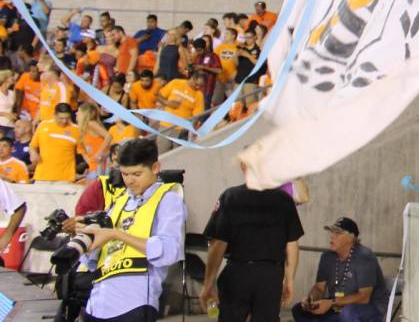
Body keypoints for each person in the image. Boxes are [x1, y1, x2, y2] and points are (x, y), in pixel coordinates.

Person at [78, 138, 188, 322]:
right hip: (97, 302)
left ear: (155, 168)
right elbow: (94, 260)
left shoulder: (168, 199)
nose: (130, 180)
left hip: (134, 303)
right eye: (125, 174)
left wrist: (116, 234)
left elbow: (169, 251)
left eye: (137, 174)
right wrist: (88, 242)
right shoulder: (119, 200)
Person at [201, 163, 304, 322]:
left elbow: (218, 244)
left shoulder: (230, 197)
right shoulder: (284, 200)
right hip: (271, 275)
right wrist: (289, 280)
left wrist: (208, 283)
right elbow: (292, 244)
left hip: (238, 272)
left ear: (243, 166)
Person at [292, 218, 388, 322]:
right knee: (299, 310)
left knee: (347, 313)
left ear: (351, 238)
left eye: (337, 233)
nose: (332, 236)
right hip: (338, 306)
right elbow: (319, 288)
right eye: (331, 232)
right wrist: (311, 300)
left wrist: (331, 303)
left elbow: (364, 298)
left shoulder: (364, 257)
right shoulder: (327, 257)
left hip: (369, 307)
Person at [31, 102, 78, 182]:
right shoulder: (43, 125)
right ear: (54, 115)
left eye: (67, 118)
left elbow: (83, 152)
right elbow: (33, 145)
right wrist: (33, 153)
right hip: (42, 176)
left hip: (65, 179)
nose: (64, 121)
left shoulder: (76, 130)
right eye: (61, 118)